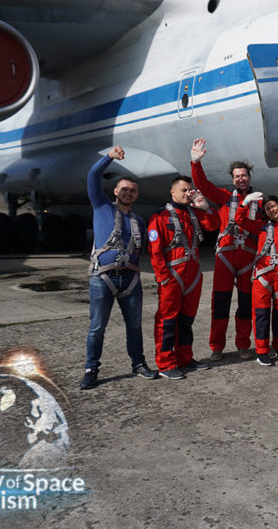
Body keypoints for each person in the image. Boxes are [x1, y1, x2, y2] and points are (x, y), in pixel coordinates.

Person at [80, 145, 158, 389]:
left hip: (131, 280)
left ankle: (138, 364)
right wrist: (109, 158)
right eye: (124, 189)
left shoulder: (139, 222)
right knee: (96, 328)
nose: (128, 192)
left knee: (134, 326)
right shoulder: (102, 207)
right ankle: (91, 369)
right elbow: (93, 177)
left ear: (136, 195)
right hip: (102, 278)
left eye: (133, 190)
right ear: (115, 191)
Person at [190, 138, 264, 361]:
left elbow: (259, 228)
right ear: (233, 179)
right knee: (220, 304)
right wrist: (195, 163)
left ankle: (243, 345)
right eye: (237, 176)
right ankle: (217, 347)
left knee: (245, 306)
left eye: (244, 175)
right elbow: (202, 185)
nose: (241, 179)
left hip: (248, 259)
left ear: (249, 177)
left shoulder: (258, 202)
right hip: (226, 257)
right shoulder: (223, 197)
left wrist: (247, 207)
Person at [147, 176, 220, 380]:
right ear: (172, 192)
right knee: (167, 321)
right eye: (184, 190)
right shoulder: (160, 216)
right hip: (172, 275)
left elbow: (213, 225)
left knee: (186, 320)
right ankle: (166, 363)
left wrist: (205, 208)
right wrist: (163, 278)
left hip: (193, 275)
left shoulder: (193, 214)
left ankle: (185, 359)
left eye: (190, 190)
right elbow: (155, 251)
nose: (188, 193)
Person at [247, 195, 278, 366]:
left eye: (274, 206)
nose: (271, 210)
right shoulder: (258, 227)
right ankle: (261, 351)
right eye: (267, 208)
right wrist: (245, 203)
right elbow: (240, 220)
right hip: (263, 276)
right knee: (261, 314)